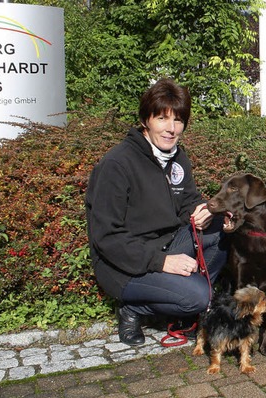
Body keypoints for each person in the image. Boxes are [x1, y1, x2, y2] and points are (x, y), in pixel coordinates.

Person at [85, 78, 227, 346]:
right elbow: (107, 238)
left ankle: (180, 296)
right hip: (124, 266)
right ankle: (134, 310)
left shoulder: (177, 156)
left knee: (226, 231)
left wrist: (205, 210)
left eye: (178, 121)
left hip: (167, 245)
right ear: (145, 120)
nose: (171, 129)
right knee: (199, 297)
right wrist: (162, 263)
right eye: (162, 118)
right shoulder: (117, 164)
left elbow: (187, 202)